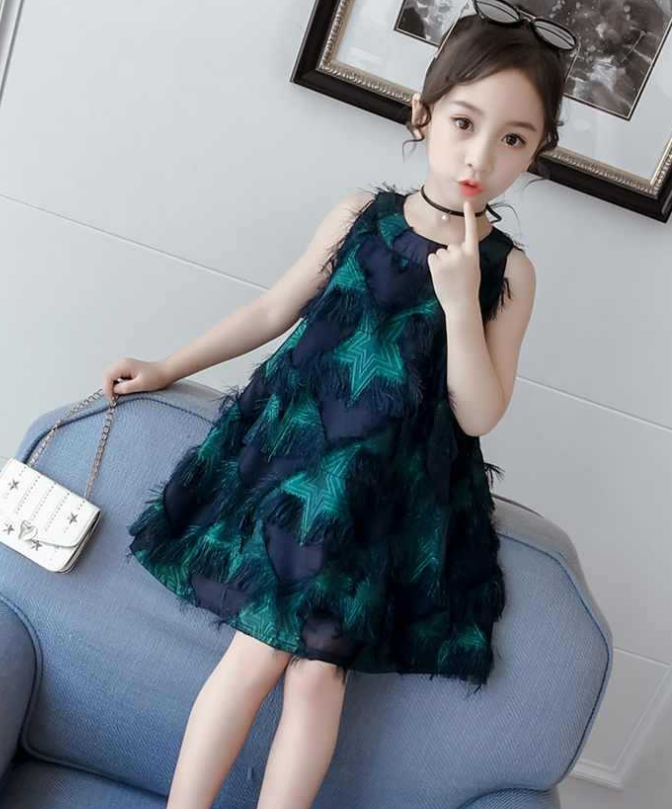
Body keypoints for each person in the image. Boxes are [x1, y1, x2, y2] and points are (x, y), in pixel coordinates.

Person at [101, 3, 576, 807]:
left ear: (537, 152)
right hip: (298, 467)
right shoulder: (363, 217)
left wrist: (461, 302)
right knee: (257, 653)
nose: (481, 155)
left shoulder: (509, 271)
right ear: (423, 114)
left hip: (387, 502)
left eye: (514, 139)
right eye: (465, 123)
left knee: (319, 676)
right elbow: (271, 310)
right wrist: (167, 364)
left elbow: (477, 413)